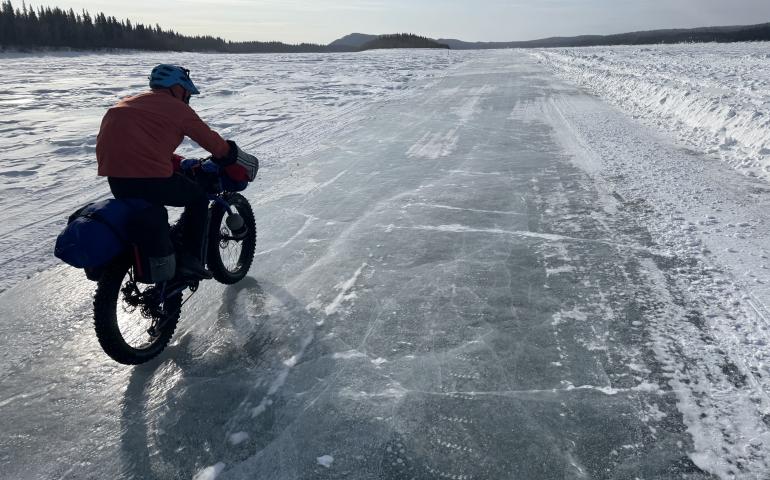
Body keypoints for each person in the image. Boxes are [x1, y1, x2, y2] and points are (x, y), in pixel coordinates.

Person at [96, 64, 236, 280]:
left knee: (150, 209)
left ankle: (164, 250)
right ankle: (191, 259)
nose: (188, 96)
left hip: (117, 180)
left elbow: (136, 147)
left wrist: (175, 161)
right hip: (152, 180)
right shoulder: (178, 109)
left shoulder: (125, 105)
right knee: (197, 198)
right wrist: (229, 153)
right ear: (177, 88)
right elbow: (211, 141)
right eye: (187, 91)